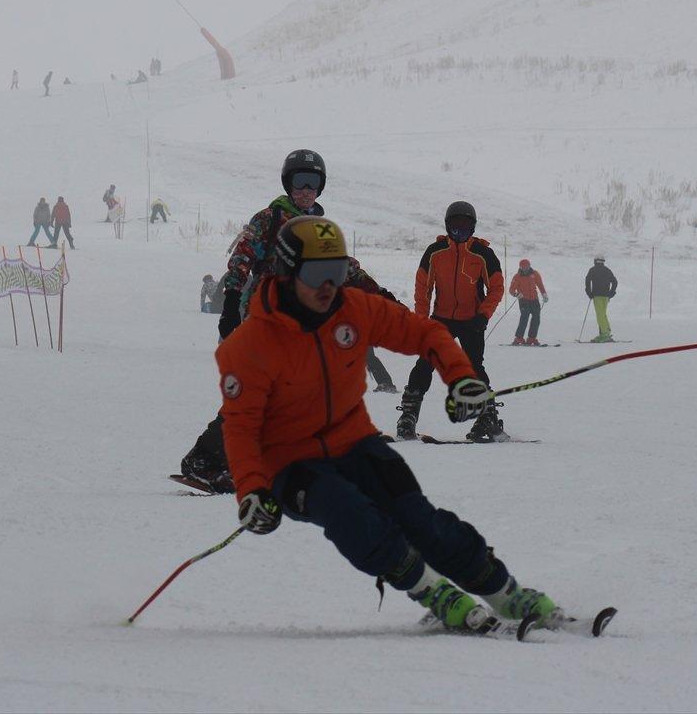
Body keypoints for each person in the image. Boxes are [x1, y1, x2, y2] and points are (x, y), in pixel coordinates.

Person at [217, 215, 562, 632]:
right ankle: (428, 589)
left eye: (338, 272)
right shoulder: (248, 346)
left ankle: (503, 592)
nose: (329, 285)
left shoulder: (354, 309)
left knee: (420, 518)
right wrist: (252, 489)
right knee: (348, 512)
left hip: (355, 443)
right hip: (291, 466)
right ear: (288, 273)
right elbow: (240, 428)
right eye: (317, 273)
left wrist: (460, 377)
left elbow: (426, 334)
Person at [180, 149, 399, 493]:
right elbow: (242, 256)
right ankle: (207, 460)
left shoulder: (322, 230)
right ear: (288, 183)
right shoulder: (271, 218)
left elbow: (346, 270)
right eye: (300, 182)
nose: (306, 190)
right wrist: (231, 303)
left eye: (312, 183)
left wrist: (383, 298)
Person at [396, 201, 505, 442]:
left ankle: (488, 417)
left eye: (465, 224)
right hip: (441, 320)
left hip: (472, 321)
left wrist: (483, 315)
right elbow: (423, 288)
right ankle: (408, 416)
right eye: (455, 224)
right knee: (425, 363)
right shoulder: (435, 252)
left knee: (474, 367)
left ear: (473, 227)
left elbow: (496, 288)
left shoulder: (483, 253)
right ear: (447, 225)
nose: (460, 229)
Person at [508, 258, 548, 345]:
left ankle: (532, 338)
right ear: (520, 267)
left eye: (527, 267)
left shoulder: (535, 274)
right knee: (524, 318)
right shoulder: (517, 277)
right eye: (523, 267)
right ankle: (519, 338)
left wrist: (544, 294)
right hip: (523, 300)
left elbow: (540, 285)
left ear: (529, 266)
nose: (525, 269)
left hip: (534, 300)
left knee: (536, 319)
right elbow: (511, 290)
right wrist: (516, 294)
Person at [584, 254, 617, 342]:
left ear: (595, 261)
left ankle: (604, 334)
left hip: (597, 296)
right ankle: (606, 331)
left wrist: (589, 293)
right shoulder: (607, 270)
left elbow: (587, 281)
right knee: (603, 314)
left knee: (600, 315)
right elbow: (615, 282)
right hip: (606, 296)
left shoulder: (592, 270)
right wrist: (611, 293)